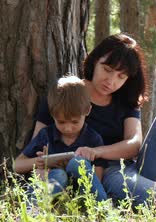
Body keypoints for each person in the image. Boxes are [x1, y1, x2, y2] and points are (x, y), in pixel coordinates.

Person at [33, 34, 156, 220]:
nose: (111, 81)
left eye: (121, 76)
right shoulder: (66, 93)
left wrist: (95, 151)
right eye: (107, 70)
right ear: (94, 61)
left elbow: (134, 144)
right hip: (101, 179)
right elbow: (37, 145)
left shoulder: (124, 99)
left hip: (130, 169)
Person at [15, 75, 108, 203]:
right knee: (59, 174)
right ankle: (34, 207)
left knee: (78, 163)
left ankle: (102, 207)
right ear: (52, 115)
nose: (68, 128)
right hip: (52, 185)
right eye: (61, 122)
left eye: (75, 122)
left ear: (87, 111)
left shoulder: (93, 139)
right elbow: (17, 165)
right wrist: (39, 163)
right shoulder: (46, 135)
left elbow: (97, 177)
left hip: (80, 193)